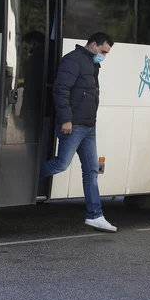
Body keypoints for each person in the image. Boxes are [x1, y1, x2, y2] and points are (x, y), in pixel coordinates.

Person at [40, 32, 118, 231]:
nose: (104, 56)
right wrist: (66, 119)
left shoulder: (92, 63)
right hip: (74, 125)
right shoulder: (73, 60)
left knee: (91, 170)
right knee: (61, 164)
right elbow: (61, 90)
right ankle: (26, 175)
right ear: (93, 45)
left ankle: (95, 215)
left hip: (88, 126)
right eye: (103, 51)